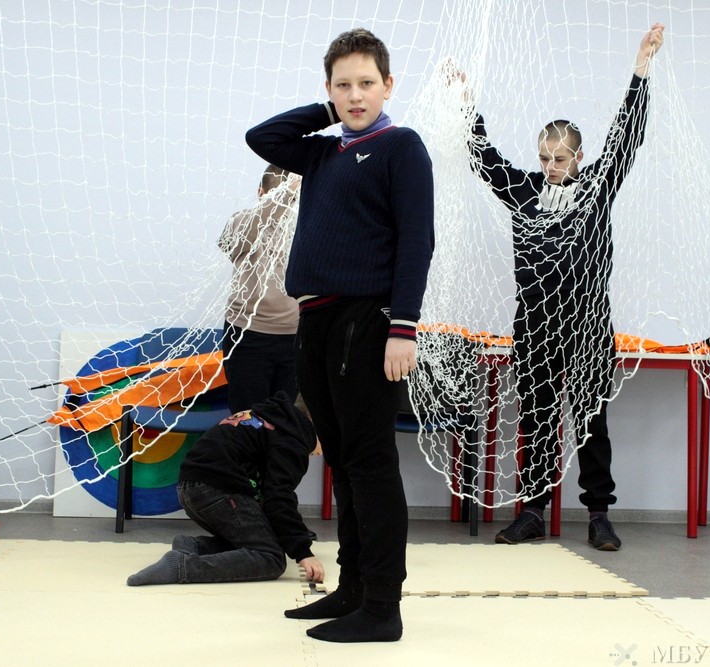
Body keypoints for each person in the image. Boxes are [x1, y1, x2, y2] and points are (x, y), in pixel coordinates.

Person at [245, 28, 435, 643]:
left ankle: (382, 606)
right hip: (316, 320)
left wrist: (403, 327)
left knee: (371, 464)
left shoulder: (401, 146)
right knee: (345, 465)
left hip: (369, 321)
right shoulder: (323, 153)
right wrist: (327, 113)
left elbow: (416, 242)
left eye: (367, 83)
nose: (356, 95)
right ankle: (352, 588)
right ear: (328, 89)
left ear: (388, 85)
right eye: (343, 85)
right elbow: (263, 138)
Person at [464, 24, 665, 551]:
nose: (550, 167)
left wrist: (640, 70)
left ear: (577, 157)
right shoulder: (525, 190)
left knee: (593, 422)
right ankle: (532, 512)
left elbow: (626, 138)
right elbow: (484, 159)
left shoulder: (597, 186)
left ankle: (599, 516)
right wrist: (467, 108)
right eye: (544, 158)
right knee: (537, 418)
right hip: (535, 325)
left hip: (589, 325)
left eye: (559, 159)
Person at [126, 392, 323, 586]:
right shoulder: (292, 441)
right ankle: (181, 566)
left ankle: (195, 547)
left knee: (264, 539)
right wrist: (303, 552)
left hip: (190, 487)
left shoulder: (273, 417)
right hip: (217, 489)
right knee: (271, 557)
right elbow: (279, 497)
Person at [219, 165, 301, 414]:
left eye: (292, 200)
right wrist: (289, 190)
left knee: (285, 421)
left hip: (294, 338)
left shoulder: (302, 230)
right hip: (247, 335)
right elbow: (234, 239)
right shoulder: (241, 222)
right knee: (247, 420)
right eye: (277, 197)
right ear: (260, 193)